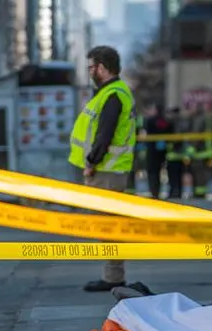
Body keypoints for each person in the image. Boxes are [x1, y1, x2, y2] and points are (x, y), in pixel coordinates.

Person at [68, 45, 136, 292]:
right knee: (108, 225)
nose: (90, 72)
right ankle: (112, 275)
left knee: (108, 226)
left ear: (103, 67)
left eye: (92, 67)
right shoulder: (112, 93)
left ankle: (113, 277)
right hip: (109, 170)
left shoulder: (113, 95)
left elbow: (104, 135)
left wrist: (91, 162)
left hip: (106, 171)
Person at [144, 103, 174, 199]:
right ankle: (162, 191)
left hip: (152, 151)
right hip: (163, 151)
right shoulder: (166, 121)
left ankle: (154, 193)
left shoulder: (151, 121)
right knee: (162, 172)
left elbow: (147, 132)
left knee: (153, 172)